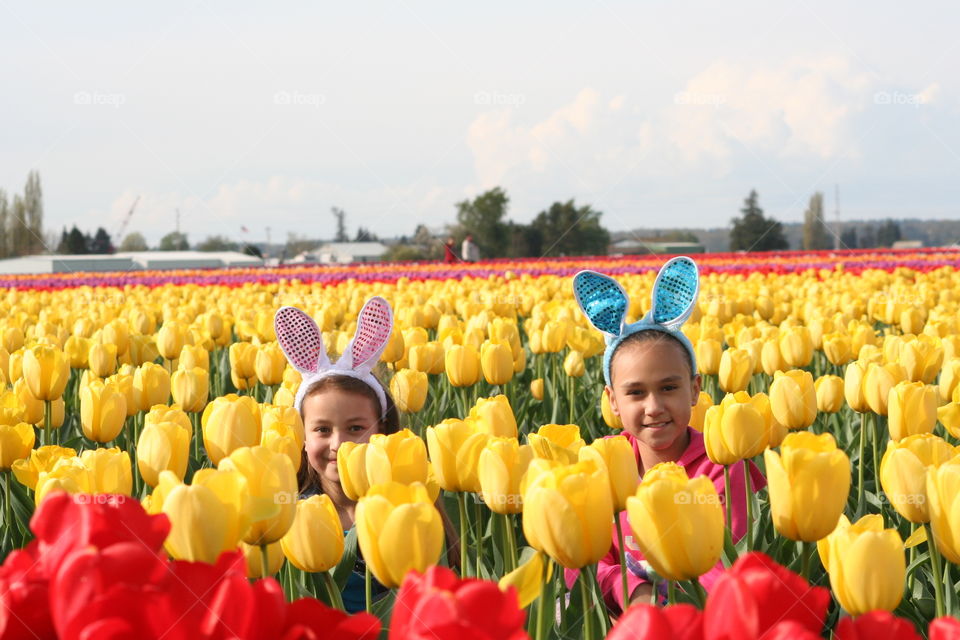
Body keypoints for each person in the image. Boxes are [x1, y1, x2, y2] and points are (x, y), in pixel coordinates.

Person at [569, 257, 766, 615]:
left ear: (694, 390)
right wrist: (632, 591)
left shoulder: (720, 467)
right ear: (612, 401)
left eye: (669, 387)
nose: (654, 406)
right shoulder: (603, 463)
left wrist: (666, 606)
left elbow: (727, 562)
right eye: (635, 393)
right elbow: (578, 561)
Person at [274, 298, 457, 613]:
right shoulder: (292, 512)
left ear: (381, 429)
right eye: (321, 430)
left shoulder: (409, 510)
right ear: (301, 435)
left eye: (355, 427)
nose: (339, 444)